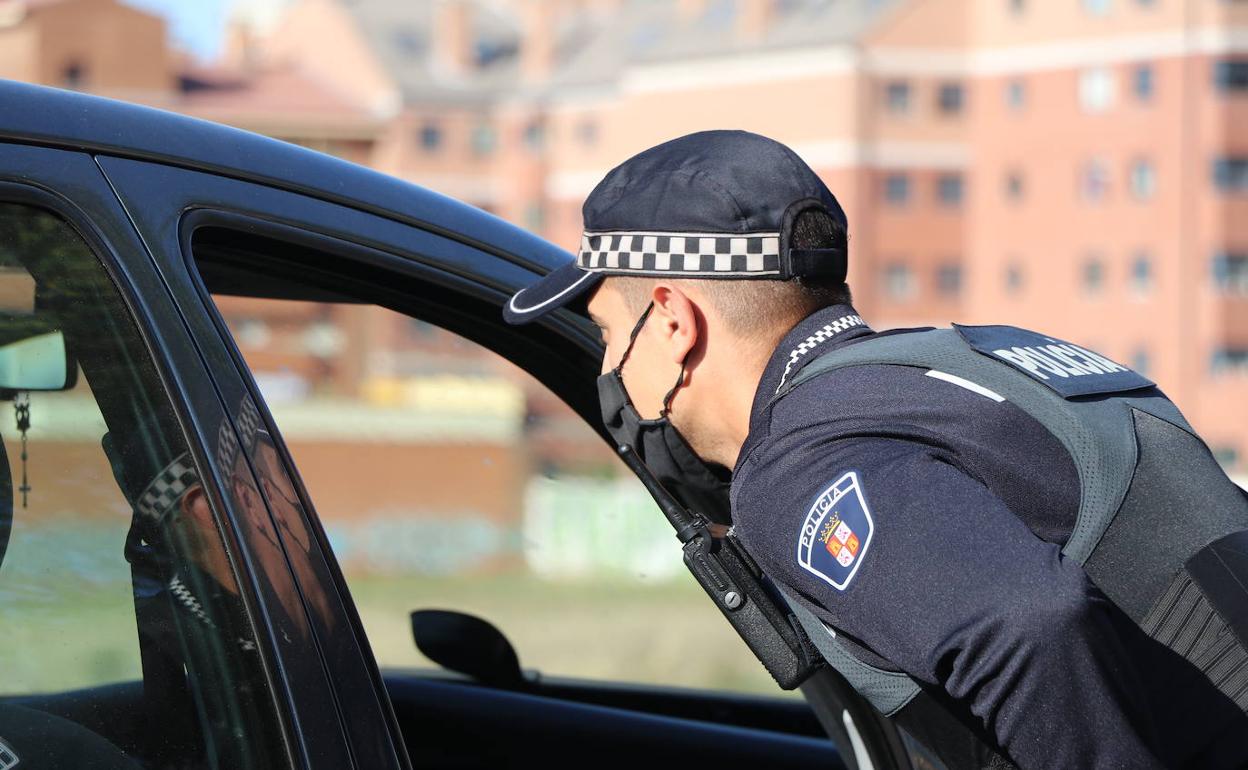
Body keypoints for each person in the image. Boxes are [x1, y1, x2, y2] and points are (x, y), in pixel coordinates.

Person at [503, 130, 1248, 769]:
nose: (610, 372)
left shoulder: (802, 457)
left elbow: (1029, 622)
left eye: (607, 335)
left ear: (672, 323)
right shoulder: (969, 370)